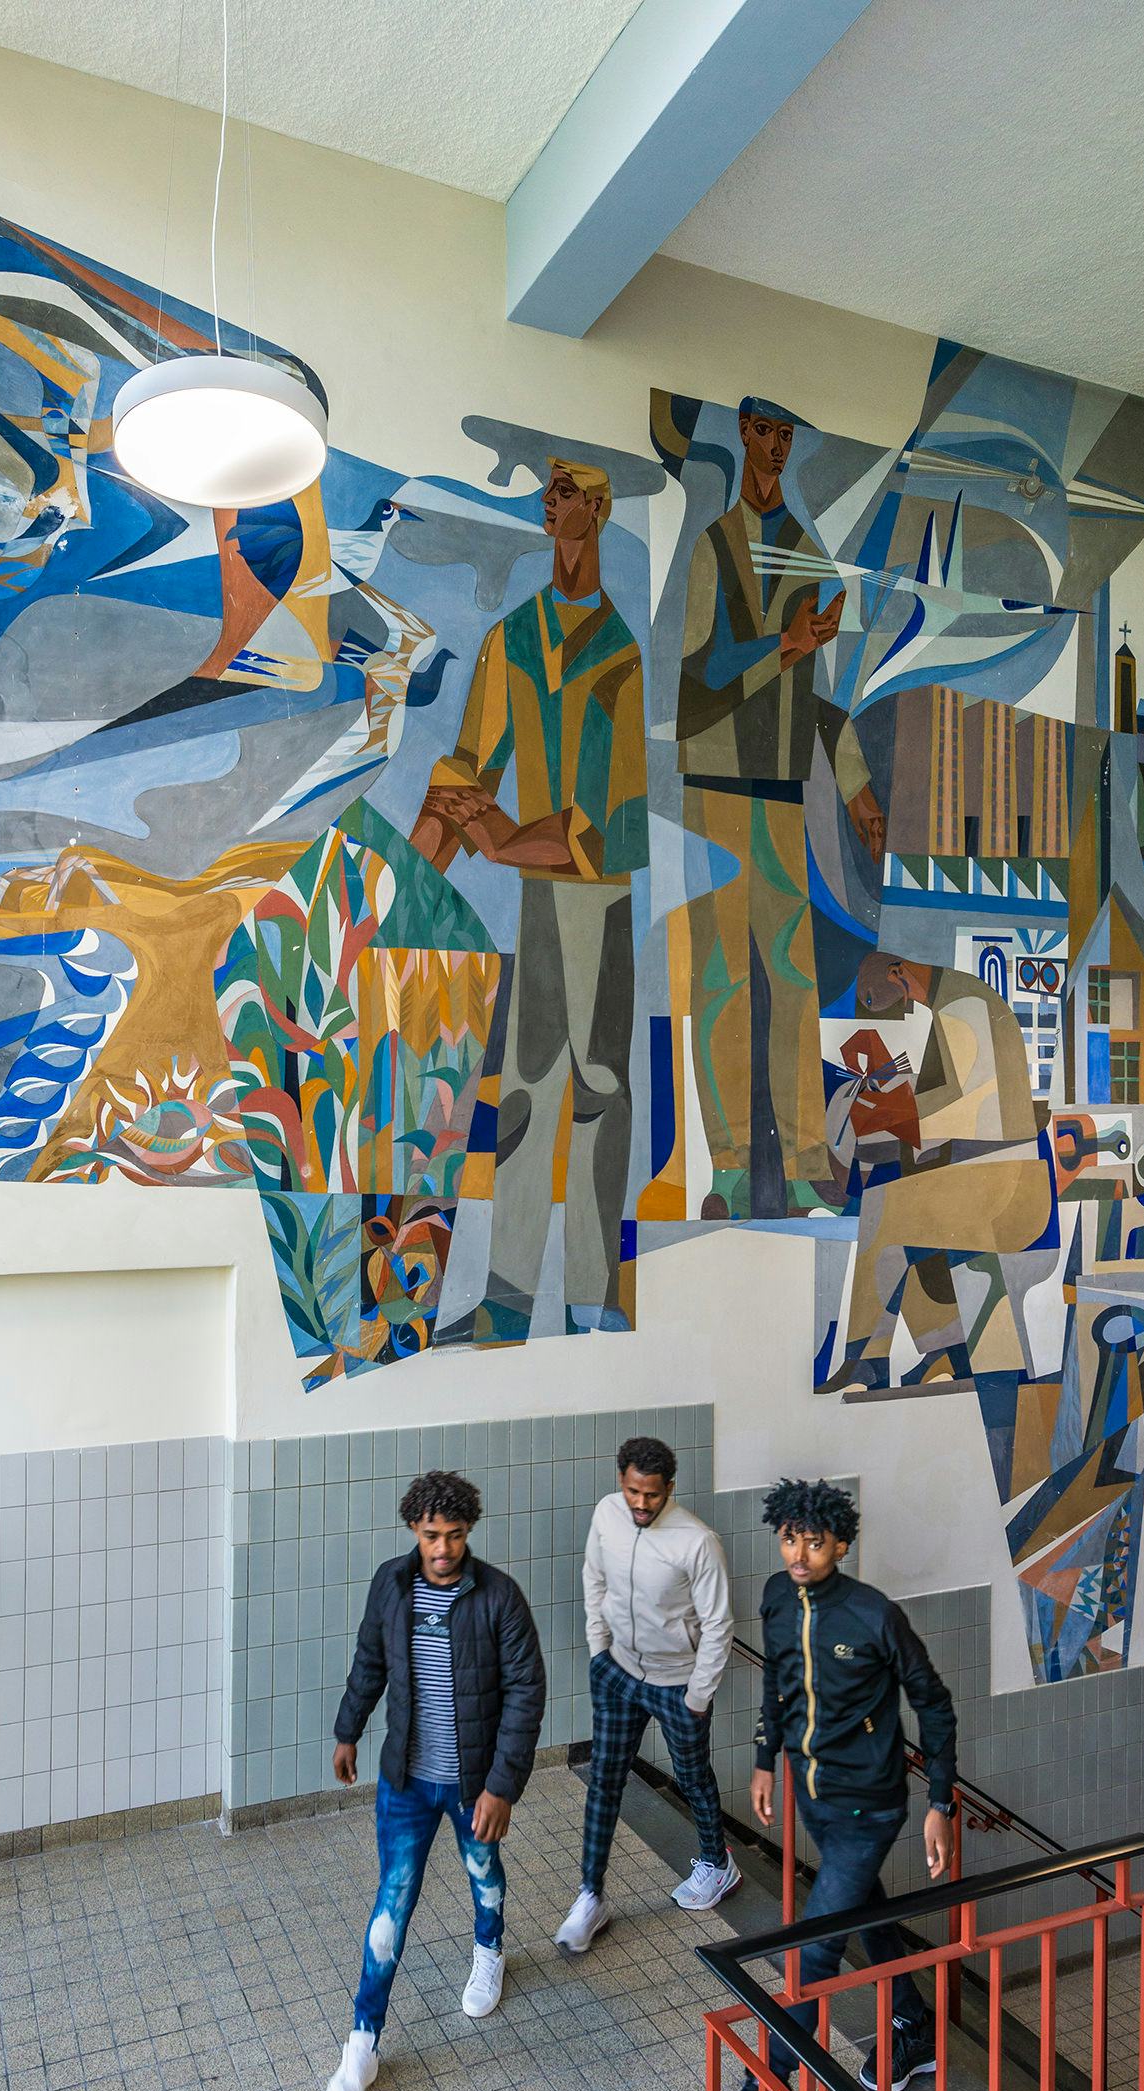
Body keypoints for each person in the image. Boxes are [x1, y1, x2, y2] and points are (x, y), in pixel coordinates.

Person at [412, 457, 646, 1341]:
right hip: (544, 900)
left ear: (597, 508)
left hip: (601, 900)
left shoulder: (620, 653)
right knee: (526, 1089)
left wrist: (503, 841)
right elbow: (468, 766)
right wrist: (412, 877)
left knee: (600, 1090)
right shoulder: (513, 638)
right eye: (547, 490)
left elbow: (609, 819)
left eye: (567, 491)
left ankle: (594, 1294)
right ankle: (508, 1296)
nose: (550, 502)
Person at [677, 398, 889, 1219]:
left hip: (781, 793)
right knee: (722, 980)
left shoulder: (807, 556)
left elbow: (818, 699)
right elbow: (699, 679)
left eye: (786, 435)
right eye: (763, 431)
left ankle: (803, 1165)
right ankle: (731, 1168)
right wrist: (787, 645)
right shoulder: (712, 547)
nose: (774, 447)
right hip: (714, 787)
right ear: (743, 433)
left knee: (793, 977)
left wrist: (856, 783)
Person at [716, 1478, 959, 2091]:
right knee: (864, 1913)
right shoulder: (776, 1597)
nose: (799, 1554)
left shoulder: (874, 1615)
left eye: (815, 1543)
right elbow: (777, 1683)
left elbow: (934, 1703)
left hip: (870, 1807)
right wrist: (764, 1759)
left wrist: (940, 1802)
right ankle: (913, 2025)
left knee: (817, 1945)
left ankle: (767, 2087)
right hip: (812, 1795)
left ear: (842, 1546)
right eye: (790, 1539)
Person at [324, 1469, 548, 2091]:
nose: (443, 1548)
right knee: (392, 1901)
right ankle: (362, 2041)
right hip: (406, 1780)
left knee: (483, 1869)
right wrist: (348, 1731)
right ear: (413, 1530)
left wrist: (501, 1787)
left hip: (473, 1781)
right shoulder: (391, 1586)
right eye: (431, 1536)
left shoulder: (499, 1597)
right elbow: (369, 1661)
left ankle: (489, 1949)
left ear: (468, 1531)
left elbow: (526, 1693)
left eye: (453, 1535)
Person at [830, 950, 1054, 1391]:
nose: (904, 1008)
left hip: (1001, 1181)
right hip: (983, 1169)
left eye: (878, 999)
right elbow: (952, 1095)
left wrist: (889, 1111)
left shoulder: (964, 1006)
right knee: (904, 1219)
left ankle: (866, 1357)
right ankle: (946, 1351)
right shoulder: (958, 1002)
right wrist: (897, 1104)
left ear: (898, 972)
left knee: (881, 1216)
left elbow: (965, 1105)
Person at [557, 1434, 739, 1955]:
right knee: (604, 1780)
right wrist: (599, 1649)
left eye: (652, 1494)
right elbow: (594, 1578)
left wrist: (697, 1696)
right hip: (617, 1673)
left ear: (670, 1488)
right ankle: (590, 1896)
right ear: (622, 1480)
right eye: (634, 1491)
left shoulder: (696, 1542)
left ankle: (717, 1864)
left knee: (693, 1777)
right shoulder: (607, 1514)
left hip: (677, 1683)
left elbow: (719, 1624)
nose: (641, 1503)